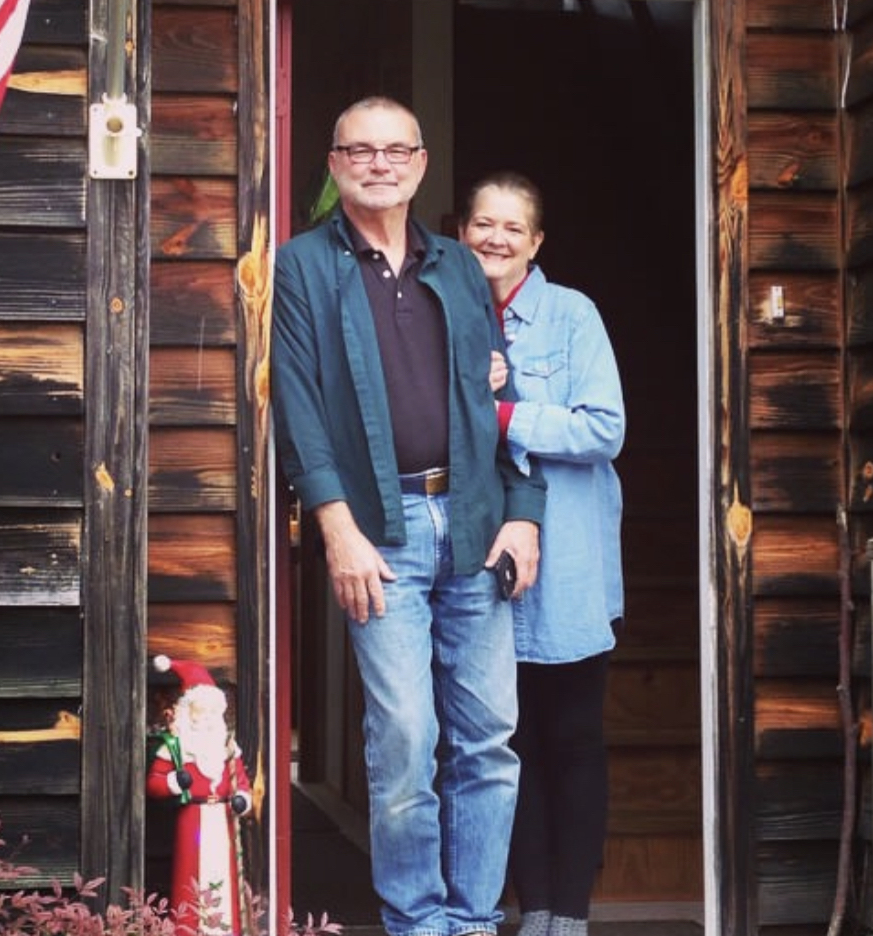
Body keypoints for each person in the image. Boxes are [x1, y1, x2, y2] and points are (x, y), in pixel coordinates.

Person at [271, 97, 547, 936]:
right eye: (361, 150)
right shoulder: (302, 266)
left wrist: (524, 513)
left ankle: (472, 921)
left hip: (474, 523)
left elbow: (498, 393)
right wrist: (337, 528)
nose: (379, 164)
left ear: (422, 164)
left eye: (396, 150)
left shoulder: (459, 265)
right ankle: (419, 923)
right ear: (335, 163)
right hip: (380, 534)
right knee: (403, 741)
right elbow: (297, 405)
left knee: (488, 740)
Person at [459, 172, 625, 936]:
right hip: (475, 563)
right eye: (483, 224)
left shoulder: (572, 315)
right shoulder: (448, 313)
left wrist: (505, 414)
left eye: (513, 227)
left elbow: (604, 429)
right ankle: (533, 912)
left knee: (573, 738)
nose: (496, 238)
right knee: (504, 744)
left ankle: (571, 915)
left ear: (536, 242)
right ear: (463, 232)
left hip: (568, 565)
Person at [147, 655, 254, 936]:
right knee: (191, 872)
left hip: (223, 820)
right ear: (187, 713)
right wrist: (174, 782)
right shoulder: (177, 747)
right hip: (192, 819)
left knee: (224, 874)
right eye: (199, 712)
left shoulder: (227, 747)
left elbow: (241, 782)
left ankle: (226, 929)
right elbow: (154, 784)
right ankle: (189, 929)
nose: (206, 719)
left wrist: (242, 800)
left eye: (211, 713)